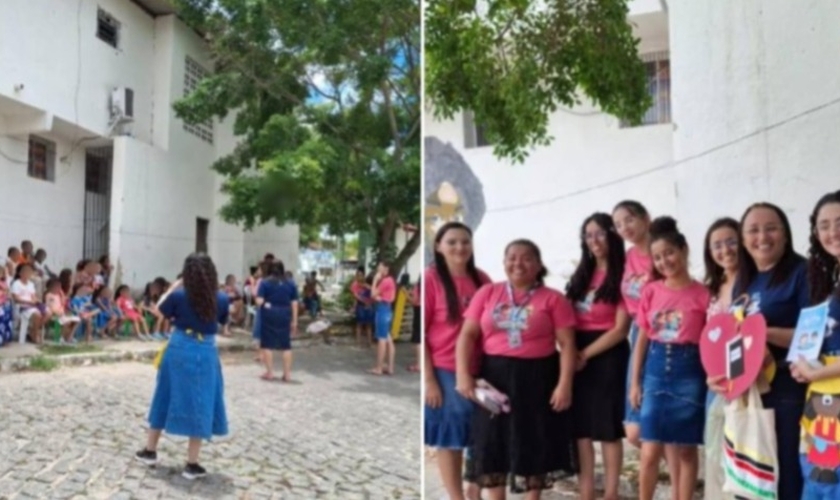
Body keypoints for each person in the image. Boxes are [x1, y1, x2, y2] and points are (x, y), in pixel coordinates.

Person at [456, 239, 578, 498]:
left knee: (533, 446)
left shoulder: (553, 299)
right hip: (494, 379)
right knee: (491, 446)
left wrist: (564, 384)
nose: (517, 263)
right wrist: (463, 374)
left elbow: (567, 344)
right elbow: (467, 335)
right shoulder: (488, 293)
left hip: (538, 380)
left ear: (538, 265)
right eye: (511, 257)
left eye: (526, 258)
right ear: (504, 262)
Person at [729, 202, 808, 499]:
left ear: (785, 234)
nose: (762, 236)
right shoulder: (744, 280)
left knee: (783, 478)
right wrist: (723, 375)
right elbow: (735, 337)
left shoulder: (803, 273)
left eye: (771, 228)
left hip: (787, 391)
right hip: (748, 393)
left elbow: (813, 337)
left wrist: (762, 333)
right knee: (749, 480)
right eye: (753, 230)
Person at [628, 217, 710, 500]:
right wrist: (635, 382)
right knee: (649, 449)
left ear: (684, 250)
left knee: (687, 449)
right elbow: (641, 339)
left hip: (690, 370)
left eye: (669, 253)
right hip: (655, 367)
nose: (665, 261)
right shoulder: (651, 291)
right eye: (658, 257)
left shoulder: (703, 294)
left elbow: (710, 341)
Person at [134, 253, 230, 480]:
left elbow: (158, 309)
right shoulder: (221, 298)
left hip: (178, 347)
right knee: (201, 400)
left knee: (164, 394)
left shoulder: (178, 296)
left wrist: (176, 285)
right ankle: (192, 463)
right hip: (205, 350)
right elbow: (224, 321)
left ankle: (150, 451)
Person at [425, 222, 491, 500]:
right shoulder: (430, 279)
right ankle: (457, 497)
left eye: (465, 241)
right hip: (444, 369)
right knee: (450, 436)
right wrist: (429, 381)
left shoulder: (482, 280)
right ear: (439, 247)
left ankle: (474, 490)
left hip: (481, 368)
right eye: (451, 242)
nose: (459, 247)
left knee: (483, 432)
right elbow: (422, 334)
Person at [565, 213, 629, 500]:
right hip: (576, 353)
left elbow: (620, 329)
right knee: (581, 429)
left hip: (607, 354)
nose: (594, 241)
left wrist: (584, 355)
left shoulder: (625, 274)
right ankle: (586, 491)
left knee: (607, 428)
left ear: (613, 235)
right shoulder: (582, 275)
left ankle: (611, 493)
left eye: (600, 233)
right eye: (588, 235)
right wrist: (569, 353)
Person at [791, 190, 840, 498]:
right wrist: (803, 364)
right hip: (822, 399)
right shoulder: (830, 277)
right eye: (824, 225)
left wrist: (818, 372)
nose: (832, 232)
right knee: (819, 481)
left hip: (829, 386)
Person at [700, 217, 743, 500]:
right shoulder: (712, 289)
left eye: (731, 241)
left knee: (742, 458)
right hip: (715, 385)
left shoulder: (755, 283)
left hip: (746, 380)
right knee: (716, 457)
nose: (725, 250)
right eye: (717, 245)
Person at [612, 200, 655, 451]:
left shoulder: (661, 251)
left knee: (644, 425)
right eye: (618, 224)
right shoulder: (628, 258)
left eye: (629, 219)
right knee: (634, 430)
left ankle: (681, 480)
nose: (624, 227)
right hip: (637, 331)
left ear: (645, 217)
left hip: (661, 333)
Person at [256, 262, 299, 381]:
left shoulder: (265, 282)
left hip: (269, 313)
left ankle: (270, 372)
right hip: (285, 313)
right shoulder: (291, 283)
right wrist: (294, 321)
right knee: (286, 345)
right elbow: (295, 303)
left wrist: (266, 304)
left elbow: (259, 301)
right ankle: (287, 374)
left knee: (267, 344)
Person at [368, 262, 397, 375]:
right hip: (388, 309)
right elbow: (392, 297)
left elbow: (372, 294)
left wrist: (375, 280)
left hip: (382, 310)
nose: (378, 270)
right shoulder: (391, 280)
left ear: (385, 268)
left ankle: (379, 368)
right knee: (388, 339)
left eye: (379, 267)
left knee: (382, 339)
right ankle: (390, 367)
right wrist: (380, 297)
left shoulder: (385, 281)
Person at [11, 263, 45, 344]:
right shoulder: (16, 283)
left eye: (29, 272)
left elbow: (33, 296)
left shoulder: (31, 284)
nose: (28, 273)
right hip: (22, 306)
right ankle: (34, 334)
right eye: (25, 271)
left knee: (48, 312)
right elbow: (16, 299)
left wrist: (36, 300)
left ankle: (33, 331)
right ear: (20, 273)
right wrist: (29, 302)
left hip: (31, 305)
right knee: (37, 314)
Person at [350, 267, 374, 348]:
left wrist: (366, 286)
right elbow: (356, 296)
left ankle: (369, 343)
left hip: (369, 306)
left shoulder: (366, 285)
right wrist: (365, 302)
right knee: (359, 325)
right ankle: (358, 343)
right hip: (360, 306)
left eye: (361, 275)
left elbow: (373, 292)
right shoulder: (354, 285)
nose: (360, 276)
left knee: (369, 325)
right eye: (358, 275)